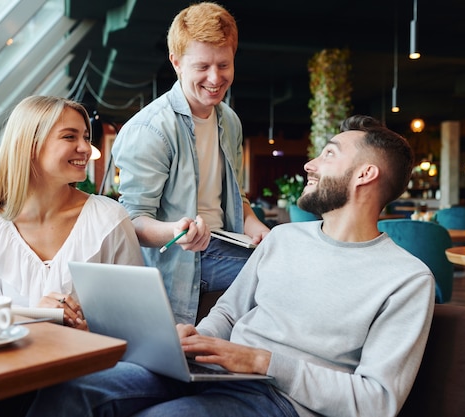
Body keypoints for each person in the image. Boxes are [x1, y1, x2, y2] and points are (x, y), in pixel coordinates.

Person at [22, 115, 436, 417]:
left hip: (283, 400)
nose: (309, 164)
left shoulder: (406, 279)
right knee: (74, 390)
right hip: (212, 371)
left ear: (365, 174)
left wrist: (260, 361)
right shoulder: (285, 239)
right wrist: (193, 341)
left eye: (328, 154)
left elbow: (376, 402)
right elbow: (229, 312)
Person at [111, 2, 270, 324]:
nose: (215, 78)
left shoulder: (230, 121)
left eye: (224, 65)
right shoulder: (150, 129)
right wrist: (176, 231)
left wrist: (260, 230)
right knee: (284, 274)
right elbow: (133, 221)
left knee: (293, 254)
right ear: (177, 63)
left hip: (227, 241)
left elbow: (235, 199)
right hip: (183, 260)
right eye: (202, 67)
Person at [0, 95, 143, 331]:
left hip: (93, 363)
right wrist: (36, 318)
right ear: (29, 146)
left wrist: (91, 330)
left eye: (86, 138)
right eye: (69, 136)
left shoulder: (108, 219)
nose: (86, 148)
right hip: (15, 364)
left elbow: (139, 319)